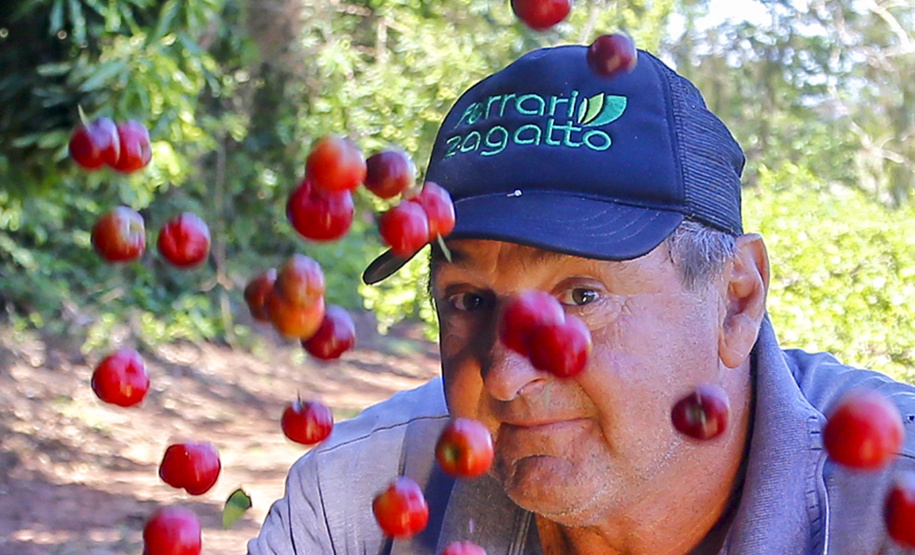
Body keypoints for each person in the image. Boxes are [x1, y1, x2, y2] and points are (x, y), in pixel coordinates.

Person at [248, 44, 915, 555]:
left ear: (735, 301)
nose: (505, 376)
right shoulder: (355, 501)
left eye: (581, 295)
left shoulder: (891, 504)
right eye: (469, 301)